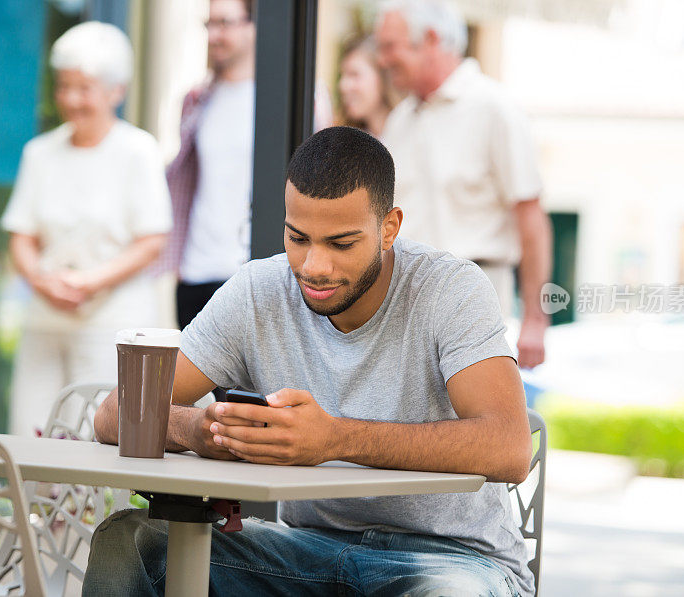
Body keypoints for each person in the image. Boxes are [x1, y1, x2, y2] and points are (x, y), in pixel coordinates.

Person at [84, 127, 534, 596]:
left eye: (341, 244)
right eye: (298, 238)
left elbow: (508, 446)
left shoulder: (451, 289)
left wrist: (333, 439)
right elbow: (114, 414)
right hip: (305, 552)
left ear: (389, 227)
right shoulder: (258, 292)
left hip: (451, 560)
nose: (314, 266)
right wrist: (201, 430)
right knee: (130, 541)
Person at [0, 22, 172, 437]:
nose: (71, 99)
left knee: (98, 436)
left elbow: (152, 240)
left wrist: (87, 282)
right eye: (64, 86)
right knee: (32, 433)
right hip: (45, 321)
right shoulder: (40, 153)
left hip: (110, 323)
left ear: (116, 90)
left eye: (85, 87)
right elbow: (21, 236)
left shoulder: (138, 150)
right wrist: (43, 281)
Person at [376, 0, 553, 370]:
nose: (382, 59)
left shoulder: (494, 108)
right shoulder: (400, 120)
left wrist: (536, 320)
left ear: (430, 39)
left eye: (390, 46)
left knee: (472, 424)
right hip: (405, 306)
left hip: (476, 301)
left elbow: (531, 219)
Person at [158, 0, 256, 333]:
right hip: (194, 275)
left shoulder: (291, 100)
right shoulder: (197, 99)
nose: (214, 35)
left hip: (248, 273)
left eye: (225, 24)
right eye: (209, 24)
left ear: (253, 25)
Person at [337, 35, 398, 138]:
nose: (343, 86)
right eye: (342, 75)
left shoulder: (410, 135)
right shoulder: (345, 142)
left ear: (382, 77)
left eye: (354, 74)